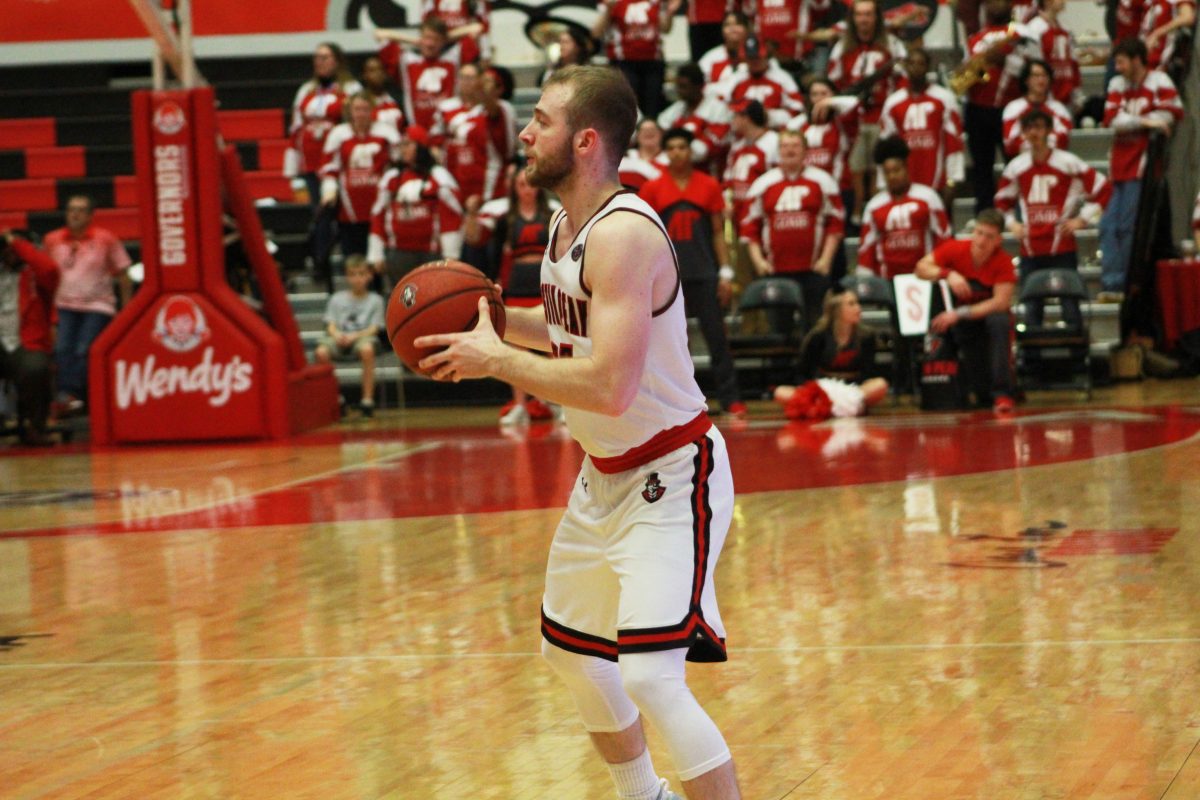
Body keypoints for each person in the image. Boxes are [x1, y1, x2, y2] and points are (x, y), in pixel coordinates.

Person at [414, 64, 743, 800]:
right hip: (603, 477)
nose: (525, 132)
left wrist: (496, 359)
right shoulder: (567, 222)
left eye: (541, 120)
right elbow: (567, 327)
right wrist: (490, 319)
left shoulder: (624, 235)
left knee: (652, 676)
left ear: (586, 140)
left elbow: (608, 382)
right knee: (570, 655)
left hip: (670, 472)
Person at [640, 127, 746, 418]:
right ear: (665, 153)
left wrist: (724, 271)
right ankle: (672, 403)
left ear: (690, 151)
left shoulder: (709, 185)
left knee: (717, 339)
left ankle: (730, 398)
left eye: (682, 147)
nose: (677, 153)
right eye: (671, 148)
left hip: (704, 275)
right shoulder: (653, 188)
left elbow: (716, 233)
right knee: (668, 343)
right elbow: (648, 235)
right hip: (669, 279)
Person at [465, 160, 561, 424]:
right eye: (521, 184)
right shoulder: (506, 219)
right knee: (518, 346)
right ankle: (520, 405)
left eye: (530, 183)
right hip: (517, 282)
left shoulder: (552, 213)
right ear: (514, 188)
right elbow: (481, 244)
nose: (526, 189)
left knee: (554, 344)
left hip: (544, 283)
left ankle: (560, 402)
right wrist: (471, 212)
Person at [994, 109, 1110, 327]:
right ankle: (1033, 359)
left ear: (1048, 130)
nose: (1034, 133)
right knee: (1032, 309)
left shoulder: (1067, 162)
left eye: (1038, 127)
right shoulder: (1016, 166)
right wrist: (1012, 224)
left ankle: (1075, 357)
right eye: (1029, 128)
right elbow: (1001, 201)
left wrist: (1082, 219)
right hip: (1030, 247)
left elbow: (1103, 188)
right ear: (1024, 133)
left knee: (1070, 306)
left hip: (1062, 247)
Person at [1099, 37, 1183, 301]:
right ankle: (1111, 282)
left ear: (1137, 59)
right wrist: (1147, 121)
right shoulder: (1116, 83)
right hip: (1119, 165)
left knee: (1127, 227)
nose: (1118, 67)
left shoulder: (1159, 81)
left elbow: (1172, 112)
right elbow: (1112, 120)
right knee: (1106, 225)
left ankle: (1122, 284)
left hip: (1143, 166)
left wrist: (1138, 121)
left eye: (1122, 61)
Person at [914, 209, 1017, 412]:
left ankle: (1002, 393)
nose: (981, 241)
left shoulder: (1003, 262)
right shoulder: (955, 249)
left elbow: (1000, 303)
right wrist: (948, 273)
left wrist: (960, 313)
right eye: (978, 233)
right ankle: (952, 391)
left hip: (983, 317)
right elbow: (920, 268)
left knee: (1000, 321)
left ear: (998, 240)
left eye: (989, 236)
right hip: (960, 319)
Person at [741, 128, 845, 330]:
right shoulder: (762, 184)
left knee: (816, 328)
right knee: (779, 329)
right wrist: (759, 261)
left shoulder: (823, 181)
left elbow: (836, 223)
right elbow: (749, 227)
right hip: (775, 270)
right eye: (785, 146)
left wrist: (826, 259)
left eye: (795, 145)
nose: (790, 150)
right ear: (778, 150)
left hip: (813, 269)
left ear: (806, 150)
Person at [42, 195, 132, 414]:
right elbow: (44, 273)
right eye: (71, 209)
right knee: (63, 349)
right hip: (64, 304)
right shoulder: (52, 239)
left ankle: (74, 395)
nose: (75, 214)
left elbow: (123, 273)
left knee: (84, 349)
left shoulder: (105, 239)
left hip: (97, 306)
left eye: (81, 210)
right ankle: (70, 396)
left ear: (91, 215)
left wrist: (127, 309)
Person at [827, 0, 908, 224]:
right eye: (859, 15)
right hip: (852, 120)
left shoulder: (891, 44)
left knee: (878, 167)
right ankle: (855, 212)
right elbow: (834, 82)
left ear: (877, 17)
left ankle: (878, 208)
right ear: (852, 19)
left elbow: (902, 78)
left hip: (883, 117)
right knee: (855, 167)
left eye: (868, 14)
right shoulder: (842, 47)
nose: (864, 19)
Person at [959, 0, 1037, 215]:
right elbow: (965, 74)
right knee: (981, 168)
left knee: (1016, 164)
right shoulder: (974, 38)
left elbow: (1034, 70)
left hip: (1011, 109)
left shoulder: (1023, 34)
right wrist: (968, 71)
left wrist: (1004, 60)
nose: (995, 4)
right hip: (977, 109)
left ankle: (1021, 213)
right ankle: (984, 215)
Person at [367, 125, 464, 291]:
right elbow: (378, 214)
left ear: (421, 147)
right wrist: (375, 253)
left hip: (431, 254)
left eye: (408, 144)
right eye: (401, 145)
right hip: (398, 254)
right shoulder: (391, 177)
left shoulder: (439, 176)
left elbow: (452, 214)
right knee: (399, 303)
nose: (402, 149)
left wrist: (451, 254)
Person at [772, 288, 890, 418]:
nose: (858, 308)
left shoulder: (867, 336)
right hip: (823, 391)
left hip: (853, 391)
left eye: (857, 303)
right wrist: (816, 392)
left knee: (880, 385)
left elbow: (869, 373)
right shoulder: (817, 336)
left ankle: (831, 409)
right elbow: (802, 373)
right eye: (851, 304)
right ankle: (840, 408)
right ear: (837, 310)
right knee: (781, 392)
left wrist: (849, 392)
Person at [319, 92, 402, 267]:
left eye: (365, 109)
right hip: (349, 211)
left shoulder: (387, 133)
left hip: (380, 208)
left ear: (372, 110)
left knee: (378, 261)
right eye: (357, 109)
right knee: (354, 259)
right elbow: (329, 168)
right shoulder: (338, 134)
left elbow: (399, 164)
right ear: (350, 111)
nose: (361, 114)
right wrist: (329, 191)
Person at [878, 47, 965, 201]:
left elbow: (954, 141)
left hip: (937, 178)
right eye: (912, 63)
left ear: (928, 67)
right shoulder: (893, 102)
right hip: (904, 180)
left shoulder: (944, 98)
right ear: (905, 66)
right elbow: (886, 146)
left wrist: (953, 179)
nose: (916, 68)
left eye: (921, 64)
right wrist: (883, 183)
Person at [858, 137, 950, 280]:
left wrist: (942, 272)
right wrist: (866, 280)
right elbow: (866, 248)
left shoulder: (928, 197)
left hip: (924, 276)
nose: (892, 176)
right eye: (887, 172)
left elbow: (943, 237)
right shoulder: (874, 206)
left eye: (896, 170)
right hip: (887, 279)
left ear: (907, 168)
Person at [285, 42, 362, 207]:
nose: (319, 62)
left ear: (337, 61)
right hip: (310, 161)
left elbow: (358, 124)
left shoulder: (350, 88)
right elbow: (296, 127)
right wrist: (293, 166)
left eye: (325, 57)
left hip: (338, 162)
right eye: (317, 58)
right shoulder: (306, 90)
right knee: (317, 210)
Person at [0, 231, 58, 445]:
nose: (9, 253)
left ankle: (36, 427)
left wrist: (16, 243)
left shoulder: (36, 275)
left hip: (25, 343)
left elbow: (50, 268)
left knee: (35, 368)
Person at [375, 16, 481, 131]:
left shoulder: (453, 59)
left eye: (436, 39)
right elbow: (379, 34)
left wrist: (447, 38)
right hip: (418, 133)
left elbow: (476, 28)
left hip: (447, 130)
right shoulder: (407, 61)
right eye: (427, 38)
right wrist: (415, 41)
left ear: (443, 41)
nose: (430, 44)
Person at [314, 256, 385, 417]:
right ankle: (336, 398)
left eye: (361, 274)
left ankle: (367, 401)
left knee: (367, 350)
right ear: (347, 276)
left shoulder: (376, 300)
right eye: (353, 274)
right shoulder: (336, 299)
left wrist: (354, 336)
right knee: (321, 352)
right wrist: (337, 335)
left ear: (369, 276)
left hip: (362, 337)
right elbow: (330, 325)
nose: (357, 278)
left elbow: (374, 329)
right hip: (339, 337)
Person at [592, 0, 684, 118]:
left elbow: (665, 28)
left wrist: (670, 13)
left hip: (652, 62)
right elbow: (596, 32)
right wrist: (609, 9)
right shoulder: (613, 2)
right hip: (624, 62)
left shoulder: (655, 2)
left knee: (653, 107)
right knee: (628, 106)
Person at [711, 36, 805, 130]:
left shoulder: (782, 78)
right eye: (750, 58)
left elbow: (798, 108)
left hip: (773, 131)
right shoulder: (736, 78)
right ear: (744, 58)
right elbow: (719, 103)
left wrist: (770, 116)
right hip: (741, 132)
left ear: (765, 55)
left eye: (758, 57)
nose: (754, 61)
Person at [657, 62, 733, 171]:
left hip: (710, 172)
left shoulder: (718, 109)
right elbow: (660, 127)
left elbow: (703, 152)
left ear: (699, 86)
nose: (680, 91)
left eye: (684, 87)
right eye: (678, 86)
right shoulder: (679, 107)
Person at [1000, 59, 1073, 159]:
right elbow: (1011, 144)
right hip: (1021, 161)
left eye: (1044, 76)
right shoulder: (1013, 108)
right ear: (1026, 80)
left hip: (1053, 160)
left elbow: (1062, 140)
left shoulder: (1059, 109)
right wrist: (1042, 143)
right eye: (1036, 76)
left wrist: (1031, 140)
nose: (1041, 80)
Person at [359, 54, 406, 135]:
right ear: (364, 75)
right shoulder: (359, 101)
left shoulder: (398, 98)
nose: (378, 73)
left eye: (380, 69)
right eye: (372, 70)